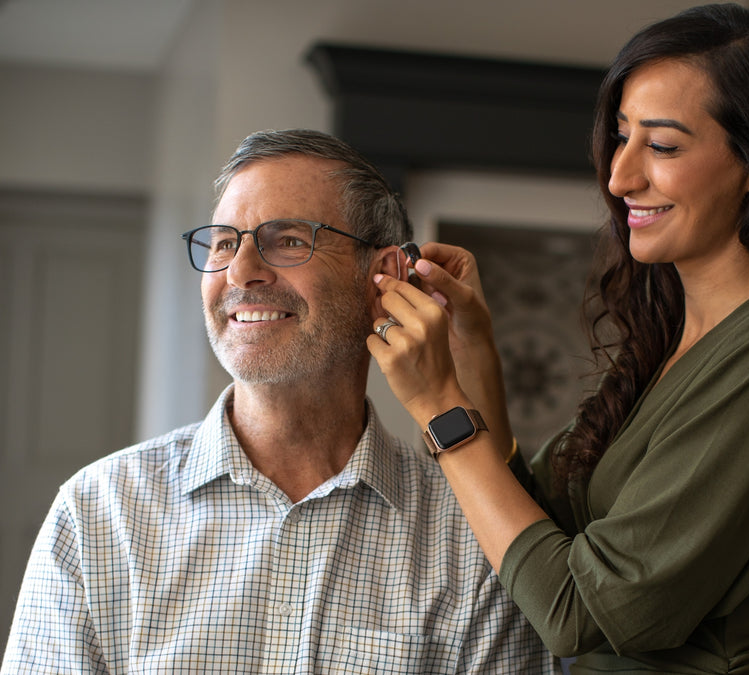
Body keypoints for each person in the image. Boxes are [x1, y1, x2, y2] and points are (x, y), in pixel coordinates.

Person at [367, 4, 749, 673]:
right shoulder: (678, 337)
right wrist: (473, 349)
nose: (619, 178)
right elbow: (537, 539)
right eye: (621, 137)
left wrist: (438, 405)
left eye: (664, 145)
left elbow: (578, 613)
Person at [1, 129, 557, 674]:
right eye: (223, 243)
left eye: (288, 239)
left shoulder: (472, 538)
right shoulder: (98, 516)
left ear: (383, 276)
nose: (240, 272)